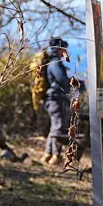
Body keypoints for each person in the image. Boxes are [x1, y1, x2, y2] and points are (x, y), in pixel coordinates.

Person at [40, 37, 75, 165]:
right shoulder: (55, 63)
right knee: (59, 128)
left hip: (52, 99)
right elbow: (62, 80)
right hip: (56, 99)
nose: (65, 52)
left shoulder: (51, 62)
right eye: (63, 49)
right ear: (58, 50)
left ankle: (47, 155)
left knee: (54, 127)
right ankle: (55, 156)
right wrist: (76, 83)